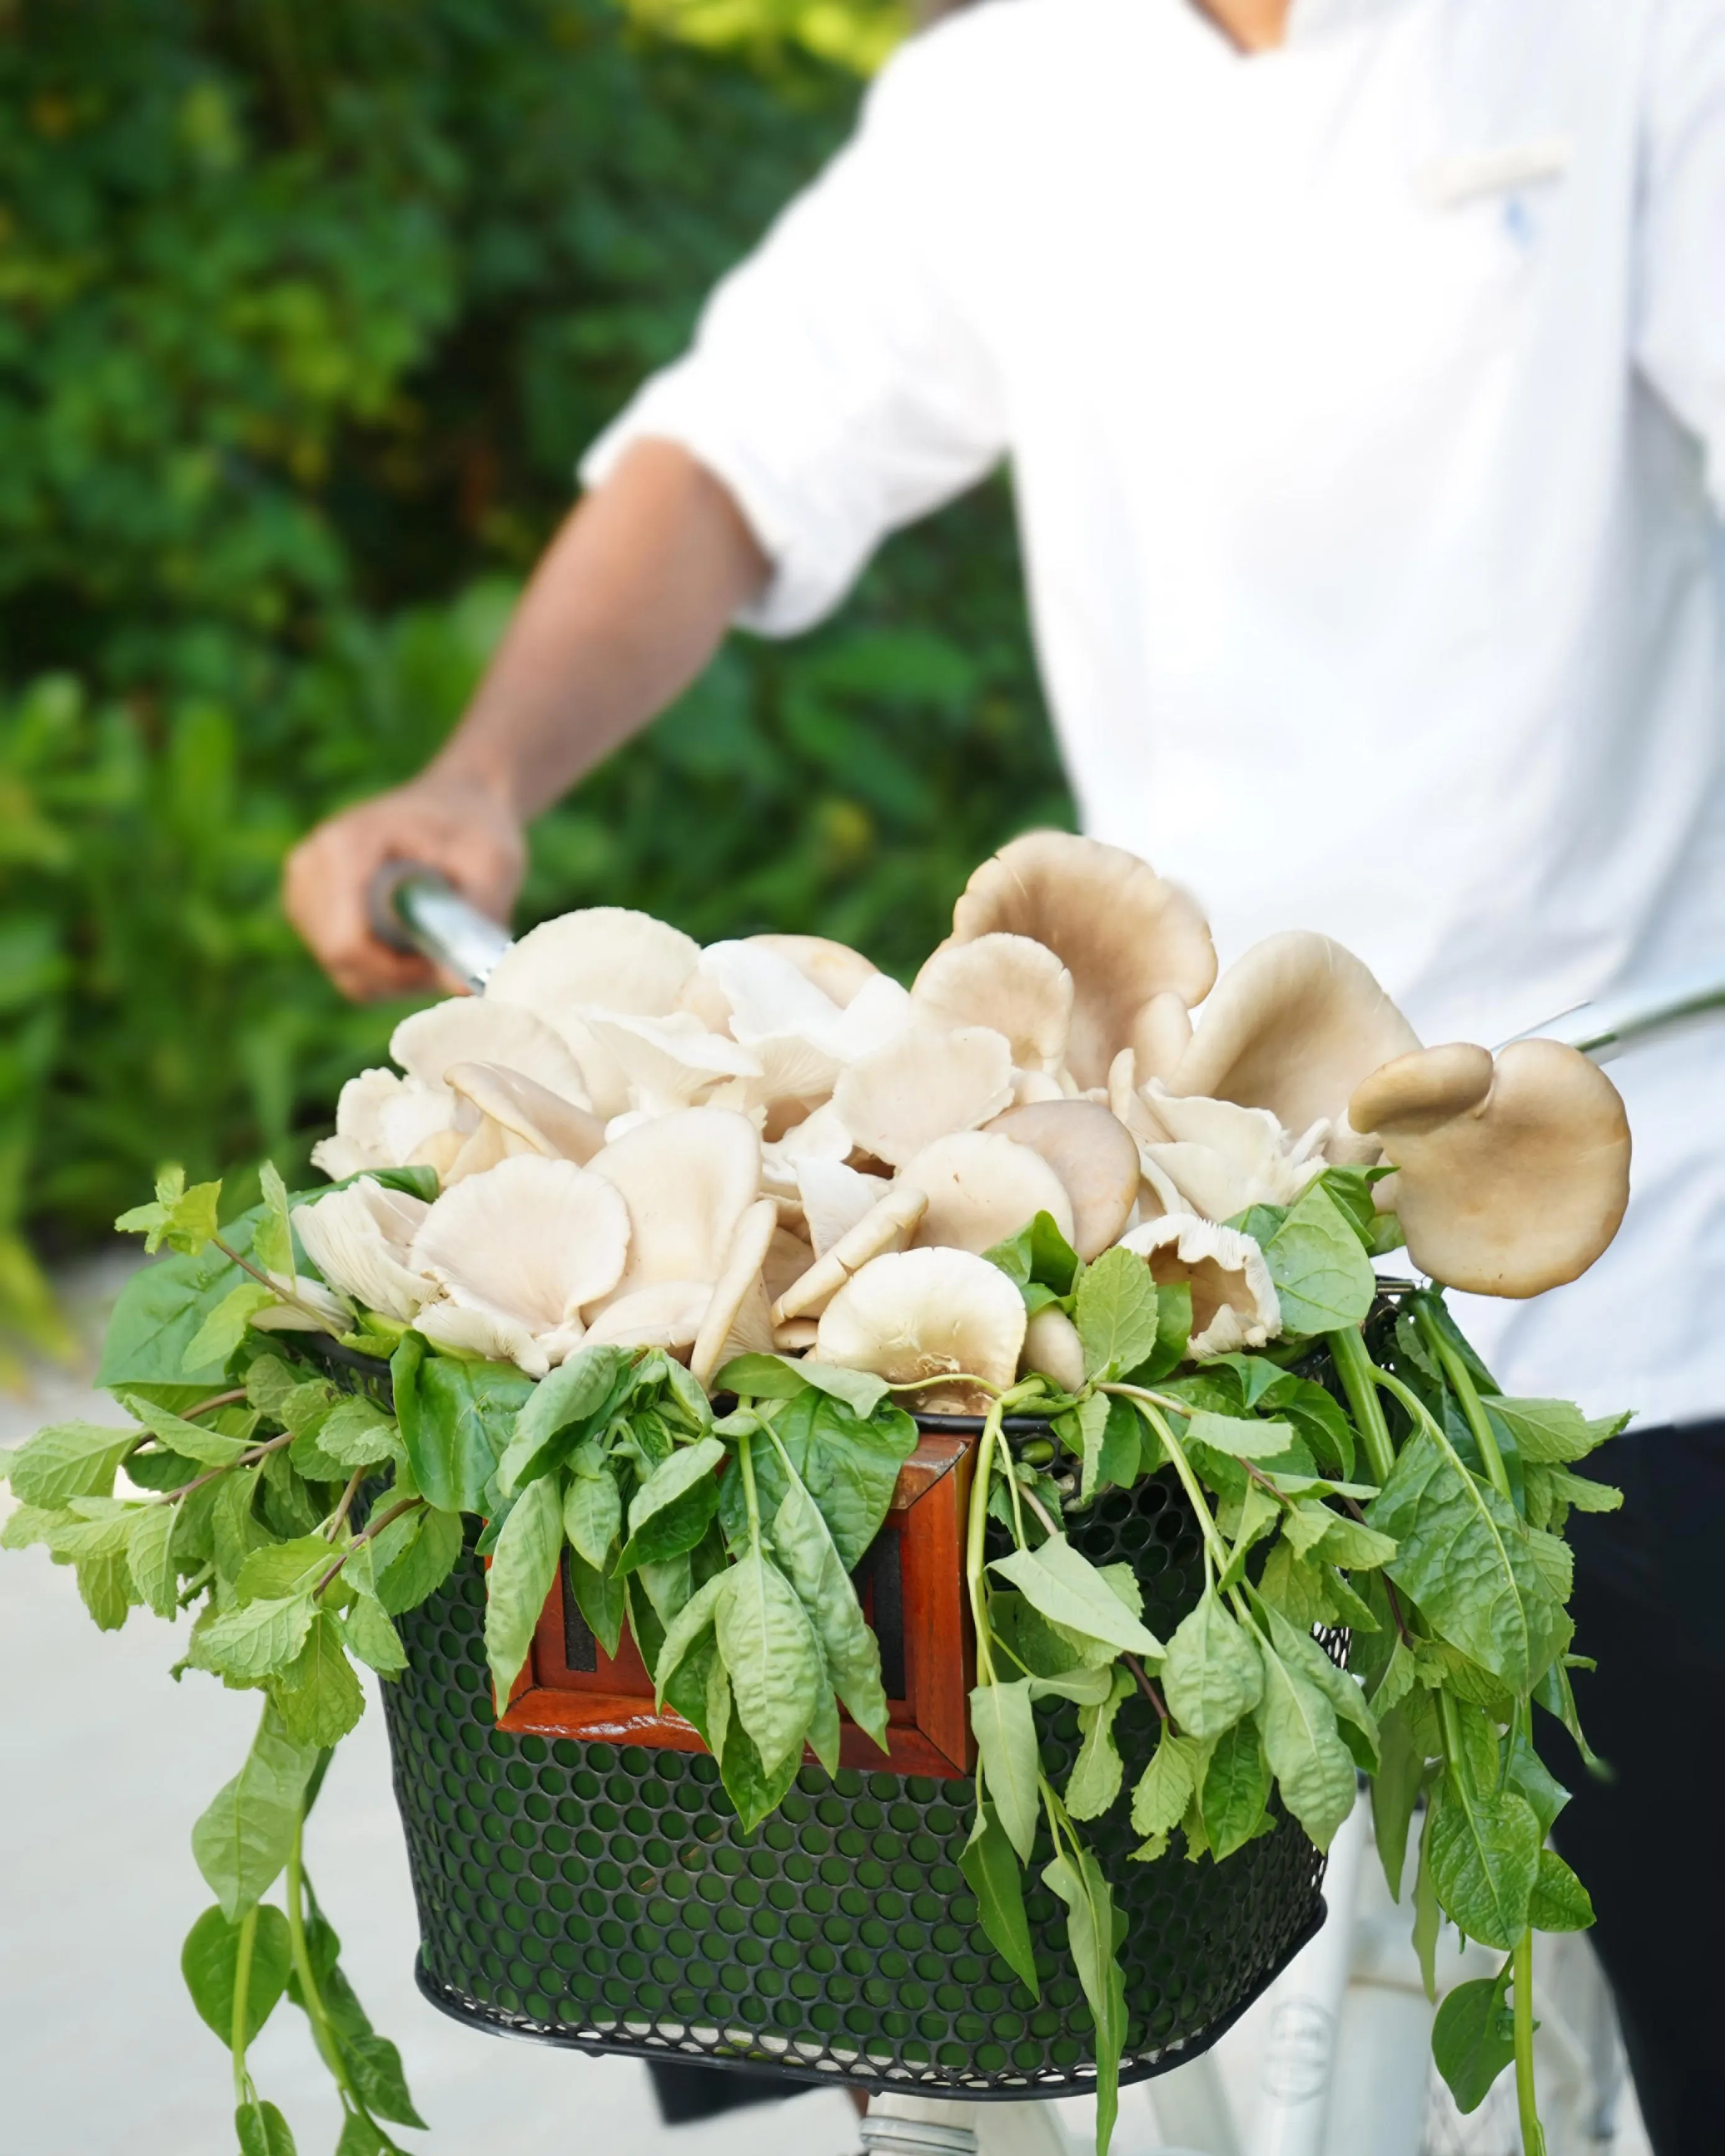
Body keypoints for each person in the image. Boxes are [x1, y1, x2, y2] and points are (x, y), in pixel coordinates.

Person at [286, 0, 1725, 2146]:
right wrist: (482, 772)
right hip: (1165, 1234)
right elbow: (725, 460)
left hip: (1629, 1205)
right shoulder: (1013, 94)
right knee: (908, 1917)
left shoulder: (1638, 40)